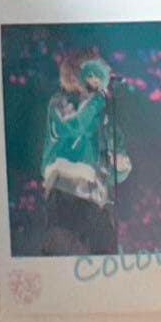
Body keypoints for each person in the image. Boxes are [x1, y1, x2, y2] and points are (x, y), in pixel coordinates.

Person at [40, 51, 131, 255]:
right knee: (65, 261)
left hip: (98, 207)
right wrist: (98, 98)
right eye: (94, 71)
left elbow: (111, 174)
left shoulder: (103, 119)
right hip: (66, 196)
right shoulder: (61, 103)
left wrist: (121, 166)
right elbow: (75, 125)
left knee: (105, 266)